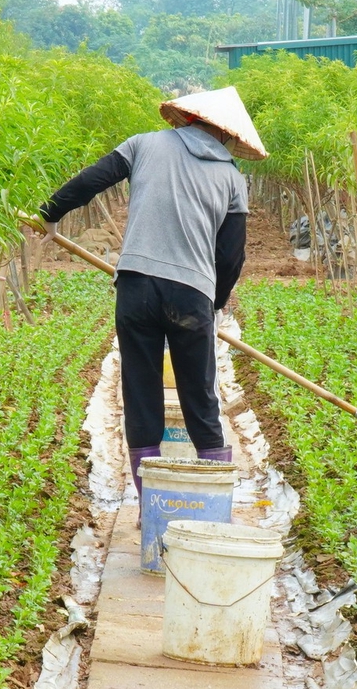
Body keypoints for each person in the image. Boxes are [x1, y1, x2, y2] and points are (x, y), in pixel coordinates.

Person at [38, 87, 264, 488]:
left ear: (188, 119)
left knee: (141, 395)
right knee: (201, 398)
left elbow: (90, 180)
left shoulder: (143, 145)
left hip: (136, 287)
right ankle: (213, 495)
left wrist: (49, 215)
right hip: (192, 294)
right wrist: (215, 305)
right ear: (227, 135)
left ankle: (149, 507)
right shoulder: (231, 178)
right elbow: (231, 256)